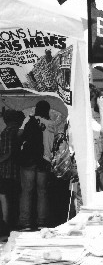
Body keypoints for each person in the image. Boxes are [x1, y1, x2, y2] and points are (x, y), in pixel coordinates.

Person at [18, 100, 56, 230]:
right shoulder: (52, 124)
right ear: (48, 110)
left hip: (29, 159)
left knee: (26, 191)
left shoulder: (29, 119)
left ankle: (25, 223)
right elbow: (54, 144)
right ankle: (42, 222)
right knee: (42, 192)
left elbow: (19, 135)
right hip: (45, 160)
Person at [0, 110, 24, 233]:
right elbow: (9, 153)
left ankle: (6, 224)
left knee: (6, 198)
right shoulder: (12, 132)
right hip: (10, 170)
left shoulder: (5, 132)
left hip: (5, 171)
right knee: (11, 198)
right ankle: (9, 224)